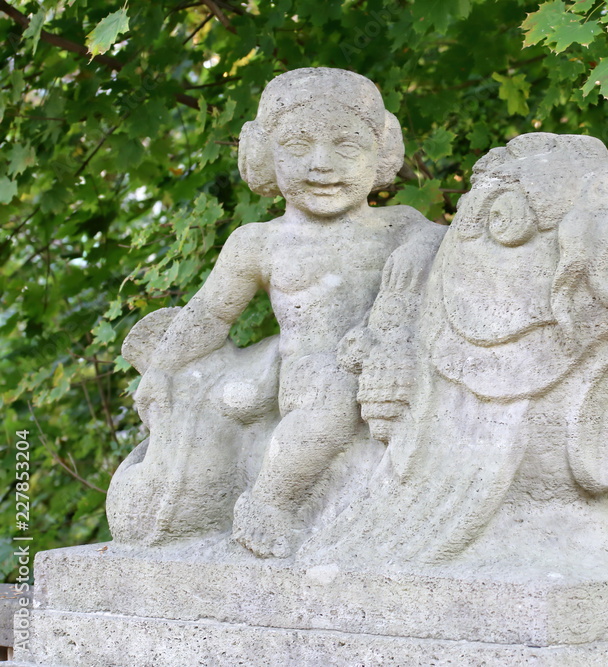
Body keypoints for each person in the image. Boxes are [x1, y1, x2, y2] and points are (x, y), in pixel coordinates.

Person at [135, 68, 431, 557]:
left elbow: (449, 251)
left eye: (346, 146)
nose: (321, 164)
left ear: (383, 152)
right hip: (312, 371)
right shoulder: (259, 243)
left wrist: (421, 253)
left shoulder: (401, 225)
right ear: (263, 155)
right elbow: (209, 316)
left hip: (386, 357)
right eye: (297, 145)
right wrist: (163, 367)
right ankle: (270, 501)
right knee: (335, 397)